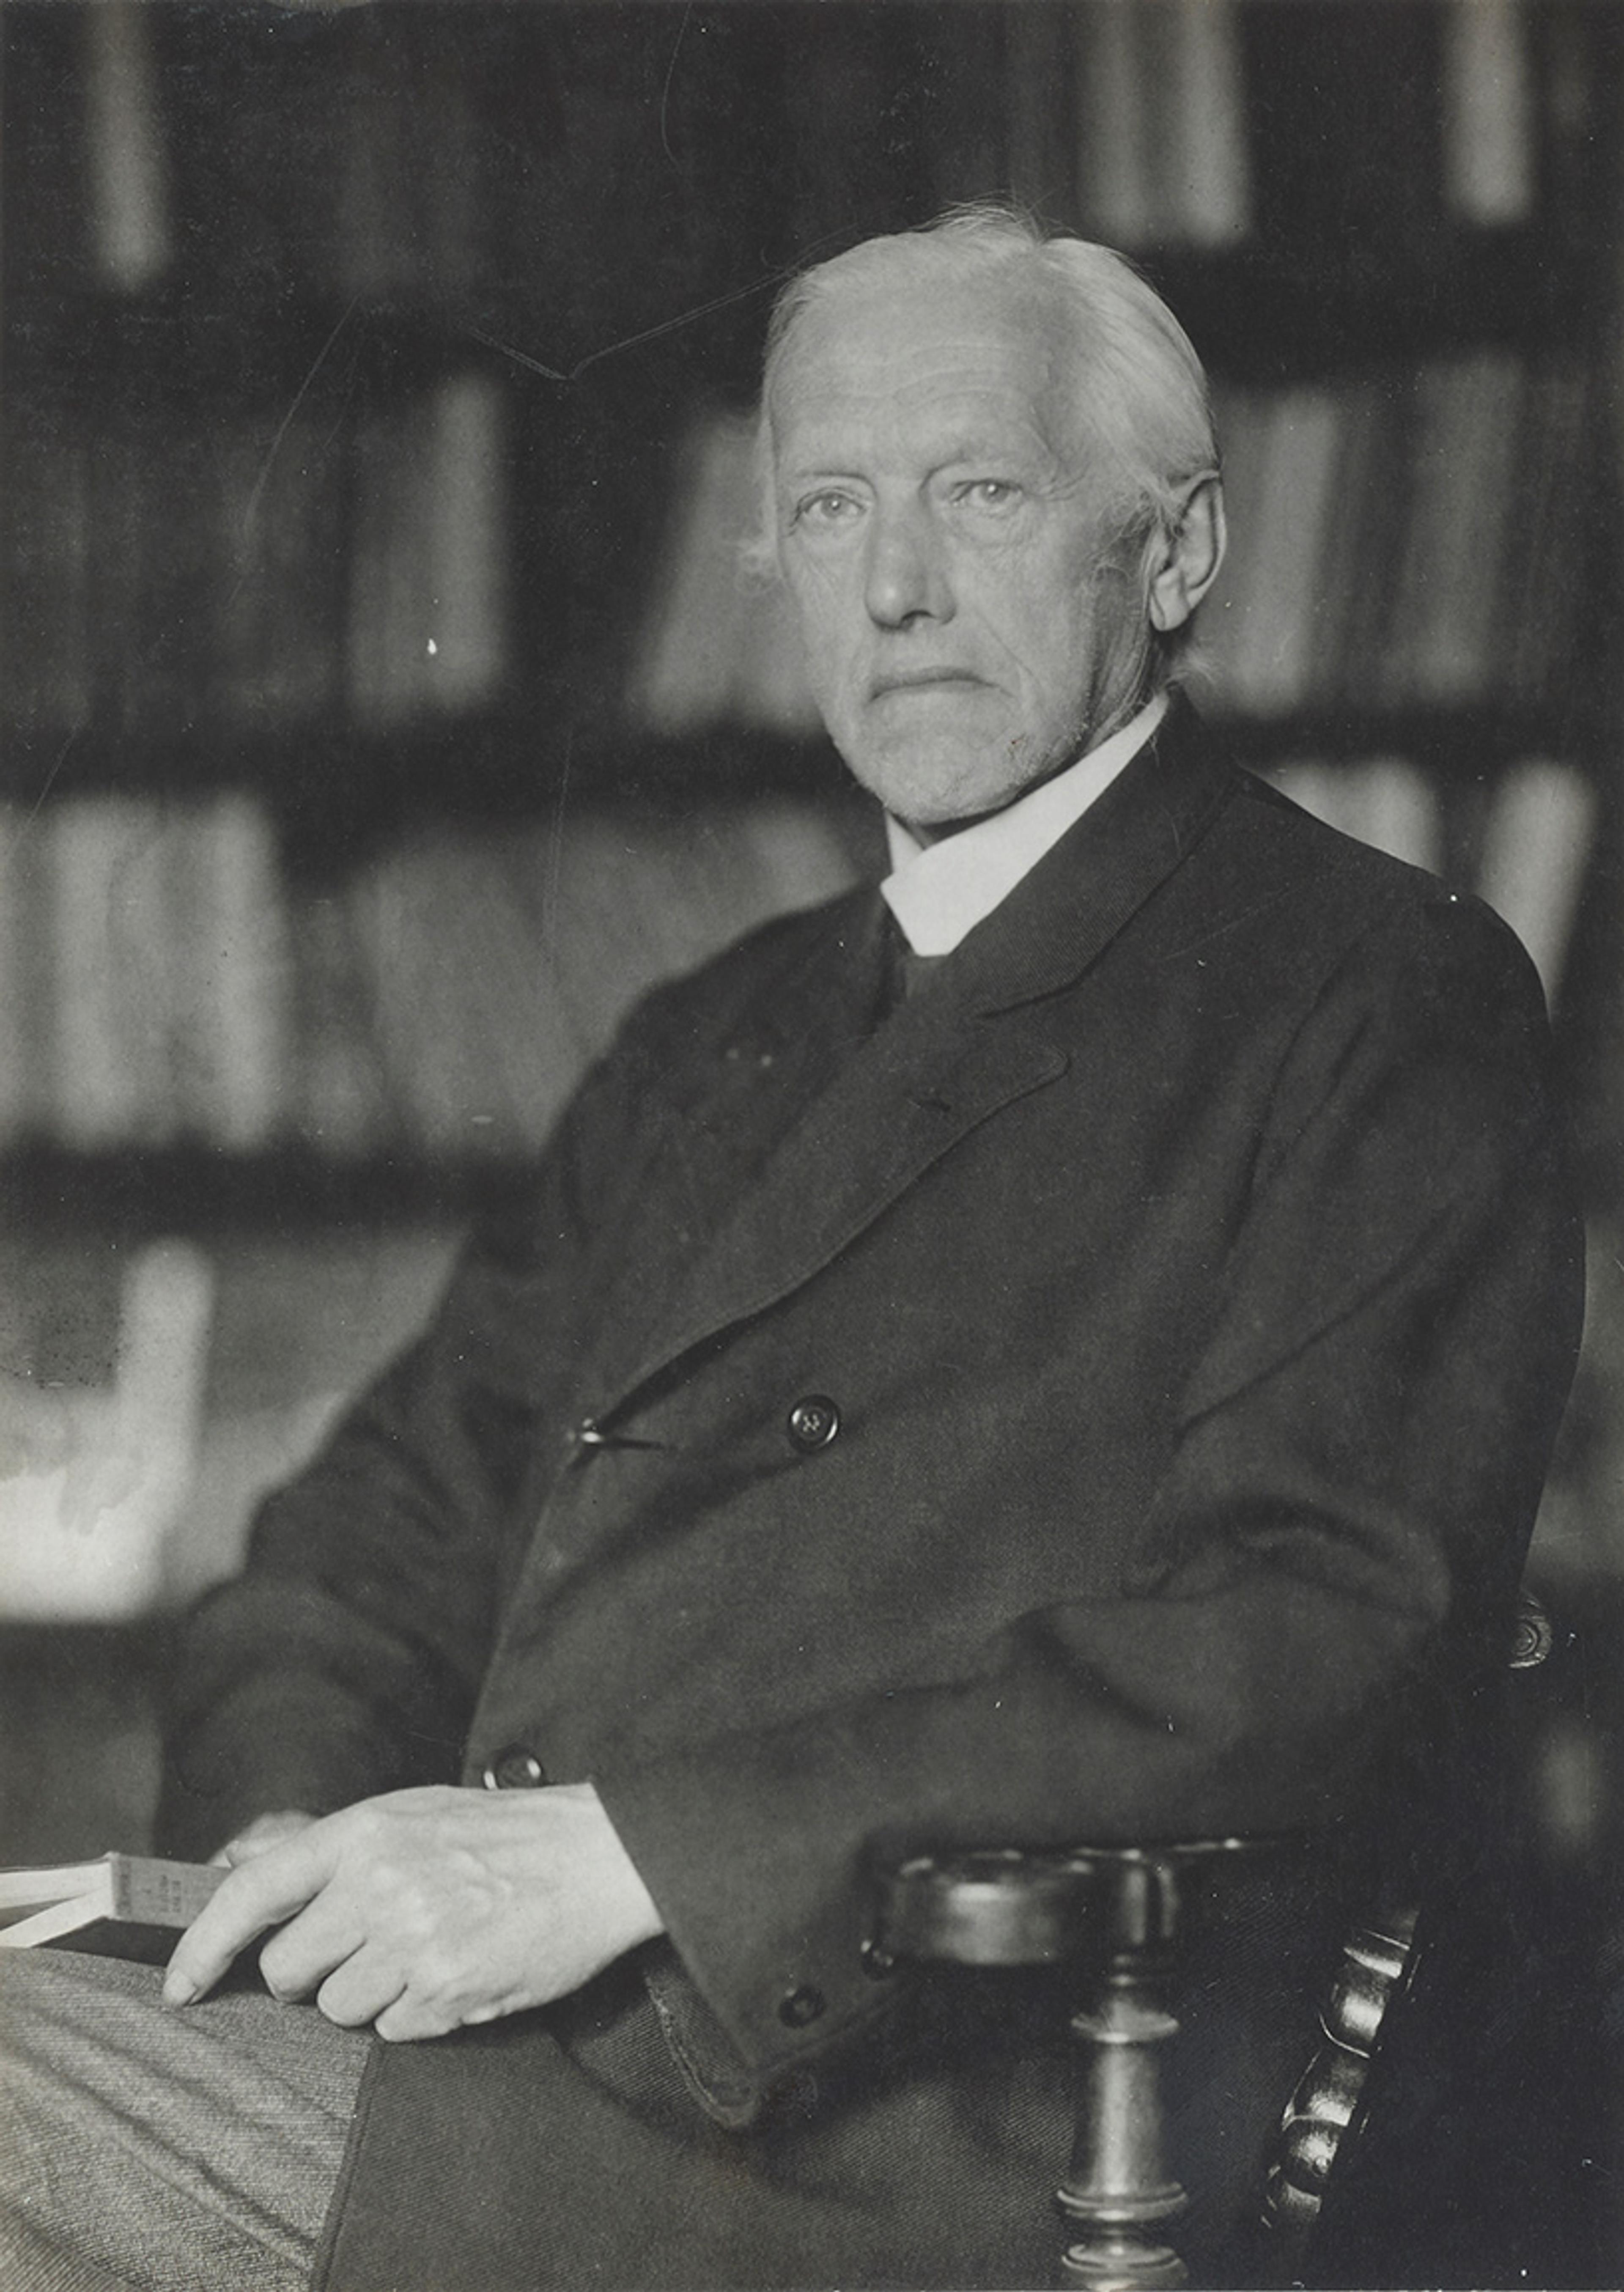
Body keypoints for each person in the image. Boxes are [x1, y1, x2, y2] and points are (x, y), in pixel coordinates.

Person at [0, 208, 1584, 2291]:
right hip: (509, 2043)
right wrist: (290, 1844)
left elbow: (1308, 1634)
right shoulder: (712, 1029)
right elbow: (368, 1531)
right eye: (832, 505)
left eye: (983, 490)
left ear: (1177, 554)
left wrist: (627, 1852)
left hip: (916, 2109)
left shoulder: (1376, 994)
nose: (900, 583)